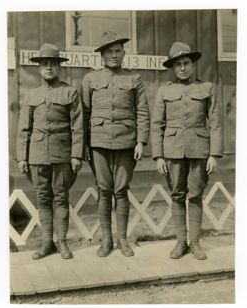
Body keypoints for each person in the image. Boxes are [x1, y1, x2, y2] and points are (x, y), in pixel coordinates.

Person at [151, 41, 223, 260]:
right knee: (177, 196)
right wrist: (158, 156)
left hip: (200, 149)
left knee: (196, 196)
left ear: (193, 65)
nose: (182, 68)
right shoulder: (164, 91)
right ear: (172, 68)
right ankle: (181, 243)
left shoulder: (206, 88)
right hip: (172, 151)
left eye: (186, 63)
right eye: (178, 64)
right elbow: (156, 124)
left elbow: (215, 122)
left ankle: (195, 243)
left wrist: (214, 154)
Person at [81, 31, 150, 257]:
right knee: (103, 190)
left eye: (118, 51)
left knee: (121, 190)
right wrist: (84, 147)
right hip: (98, 142)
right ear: (102, 55)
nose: (114, 55)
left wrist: (141, 141)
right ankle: (106, 241)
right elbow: (84, 114)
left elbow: (142, 111)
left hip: (126, 141)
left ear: (123, 53)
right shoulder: (91, 79)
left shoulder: (134, 78)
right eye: (109, 51)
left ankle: (122, 239)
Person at [16, 43, 84, 260]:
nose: (49, 68)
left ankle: (62, 242)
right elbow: (23, 128)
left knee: (61, 198)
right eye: (45, 64)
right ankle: (47, 243)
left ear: (59, 67)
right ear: (39, 68)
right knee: (43, 198)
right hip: (36, 155)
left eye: (53, 64)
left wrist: (76, 154)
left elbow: (78, 126)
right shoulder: (31, 95)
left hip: (62, 154)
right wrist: (22, 157)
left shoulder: (70, 92)